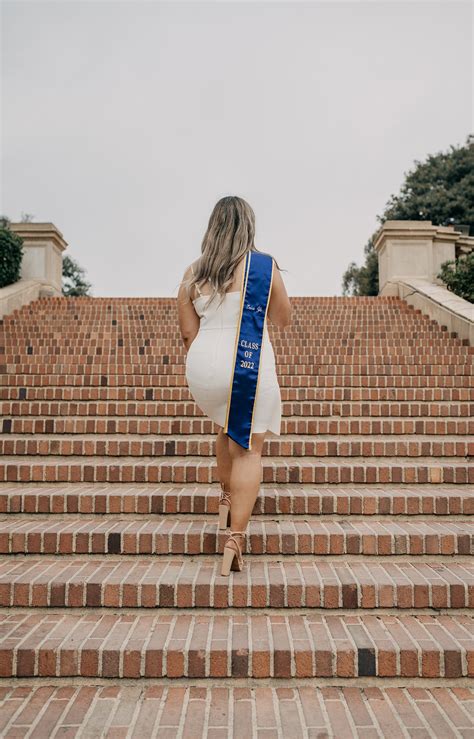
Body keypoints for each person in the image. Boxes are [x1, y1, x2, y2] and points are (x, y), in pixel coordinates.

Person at [177, 195, 292, 576]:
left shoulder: (193, 273)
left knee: (228, 424)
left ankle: (225, 498)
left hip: (203, 366)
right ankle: (235, 539)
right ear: (248, 227)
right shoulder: (262, 267)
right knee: (248, 449)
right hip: (246, 363)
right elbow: (283, 319)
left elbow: (187, 334)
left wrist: (208, 365)